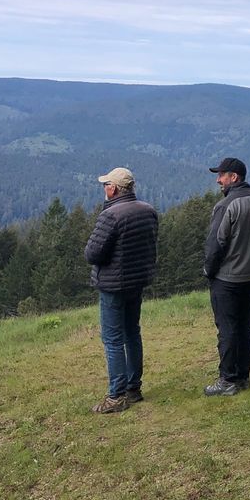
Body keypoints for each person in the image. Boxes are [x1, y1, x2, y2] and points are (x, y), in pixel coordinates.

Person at [83, 167, 159, 414]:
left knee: (113, 339)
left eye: (106, 185)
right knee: (132, 333)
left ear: (113, 189)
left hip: (113, 285)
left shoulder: (111, 216)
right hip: (136, 282)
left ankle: (116, 396)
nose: (104, 188)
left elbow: (92, 253)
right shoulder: (148, 211)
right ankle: (133, 388)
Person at [202, 157, 250, 396]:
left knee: (227, 328)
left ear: (234, 177)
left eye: (221, 175)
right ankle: (242, 375)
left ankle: (227, 380)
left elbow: (216, 244)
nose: (218, 180)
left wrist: (209, 270)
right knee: (245, 325)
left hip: (227, 278)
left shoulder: (226, 206)